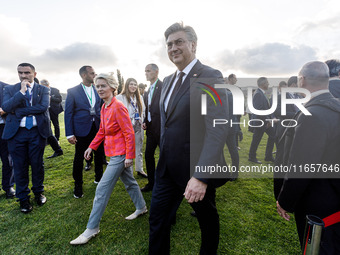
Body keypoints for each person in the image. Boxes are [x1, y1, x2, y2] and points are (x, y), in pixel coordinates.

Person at [149, 22, 229, 255]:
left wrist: (201, 177)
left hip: (194, 170)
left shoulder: (210, 76)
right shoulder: (168, 81)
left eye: (179, 42)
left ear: (193, 45)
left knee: (206, 219)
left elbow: (217, 128)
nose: (173, 48)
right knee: (157, 220)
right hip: (166, 169)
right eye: (169, 44)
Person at [70, 73, 146, 245]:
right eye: (97, 86)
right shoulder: (104, 107)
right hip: (113, 153)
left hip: (120, 155)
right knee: (131, 183)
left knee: (101, 190)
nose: (100, 89)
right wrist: (91, 146)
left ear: (113, 87)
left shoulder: (118, 107)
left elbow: (129, 133)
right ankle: (141, 208)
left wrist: (129, 157)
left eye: (103, 85)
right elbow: (103, 131)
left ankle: (92, 228)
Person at [277, 61, 340, 253]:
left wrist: (285, 200)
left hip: (318, 202)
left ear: (302, 80)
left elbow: (302, 166)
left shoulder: (312, 114)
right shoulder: (335, 106)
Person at [2, 63, 50, 213]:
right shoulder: (10, 89)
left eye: (27, 72)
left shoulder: (43, 90)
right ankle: (23, 199)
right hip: (17, 134)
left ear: (34, 74)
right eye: (20, 73)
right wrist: (21, 93)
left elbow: (43, 107)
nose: (23, 76)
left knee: (37, 164)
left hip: (37, 132)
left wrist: (19, 111)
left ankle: (38, 192)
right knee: (19, 166)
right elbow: (7, 106)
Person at [64, 66, 105, 198]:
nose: (95, 75)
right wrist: (69, 133)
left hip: (97, 128)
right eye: (92, 73)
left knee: (99, 155)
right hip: (81, 130)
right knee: (79, 158)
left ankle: (99, 178)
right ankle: (78, 185)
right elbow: (68, 113)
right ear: (83, 75)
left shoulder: (97, 89)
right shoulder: (73, 91)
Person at [116, 78, 147, 178]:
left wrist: (142, 121)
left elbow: (143, 111)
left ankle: (139, 169)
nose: (133, 86)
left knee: (139, 147)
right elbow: (117, 113)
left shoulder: (140, 97)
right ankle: (125, 170)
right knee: (126, 149)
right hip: (126, 127)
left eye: (135, 84)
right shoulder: (120, 97)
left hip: (138, 125)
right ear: (126, 85)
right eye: (131, 84)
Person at [141, 64, 163, 192]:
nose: (146, 73)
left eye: (148, 71)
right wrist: (145, 121)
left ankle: (168, 183)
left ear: (156, 72)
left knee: (165, 157)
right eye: (145, 71)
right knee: (148, 155)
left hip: (161, 129)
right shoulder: (147, 90)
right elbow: (148, 109)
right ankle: (151, 182)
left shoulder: (163, 87)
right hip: (150, 129)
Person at [248, 77, 275, 164]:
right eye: (267, 83)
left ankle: (268, 156)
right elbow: (259, 110)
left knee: (273, 136)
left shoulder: (261, 93)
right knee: (256, 140)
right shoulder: (258, 94)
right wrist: (268, 121)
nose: (268, 84)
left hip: (264, 121)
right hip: (260, 122)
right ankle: (251, 157)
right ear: (263, 84)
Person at [39, 79, 63, 159]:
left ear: (47, 85)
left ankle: (57, 139)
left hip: (54, 110)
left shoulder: (55, 90)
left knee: (56, 125)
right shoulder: (40, 91)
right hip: (46, 111)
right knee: (48, 127)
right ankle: (49, 141)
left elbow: (59, 100)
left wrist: (50, 98)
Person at [0, 81, 15, 199]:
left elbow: (15, 105)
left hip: (3, 128)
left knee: (7, 159)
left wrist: (5, 110)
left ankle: (8, 186)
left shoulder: (7, 87)